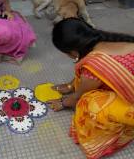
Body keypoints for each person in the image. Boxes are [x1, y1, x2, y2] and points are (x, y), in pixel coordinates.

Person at [49, 18, 134, 159]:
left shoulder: (94, 65)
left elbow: (78, 96)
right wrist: (71, 85)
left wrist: (63, 103)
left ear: (73, 53)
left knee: (89, 102)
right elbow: (90, 75)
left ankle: (106, 141)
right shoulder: (108, 40)